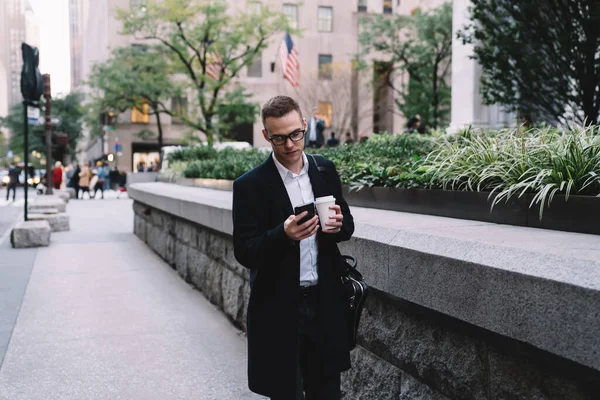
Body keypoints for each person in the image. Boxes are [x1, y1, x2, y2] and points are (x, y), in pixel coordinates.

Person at [232, 95, 354, 400]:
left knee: (327, 392)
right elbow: (244, 251)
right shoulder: (250, 186)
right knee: (284, 391)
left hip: (324, 302)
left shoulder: (324, 170)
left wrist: (339, 226)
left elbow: (347, 224)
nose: (289, 145)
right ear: (266, 136)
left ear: (304, 126)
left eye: (295, 134)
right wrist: (283, 235)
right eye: (279, 138)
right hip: (278, 308)